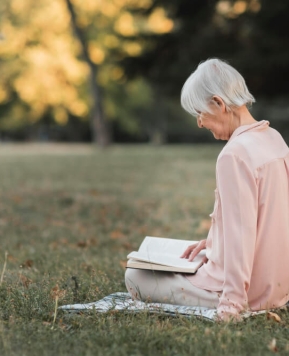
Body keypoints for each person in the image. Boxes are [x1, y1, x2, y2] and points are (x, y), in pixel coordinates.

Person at [125, 58, 289, 321]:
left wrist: (232, 306)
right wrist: (212, 243)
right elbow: (270, 218)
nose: (200, 123)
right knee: (193, 254)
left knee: (135, 276)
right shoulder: (275, 139)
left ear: (218, 103)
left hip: (247, 293)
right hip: (279, 287)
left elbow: (240, 235)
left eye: (200, 113)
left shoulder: (234, 155)